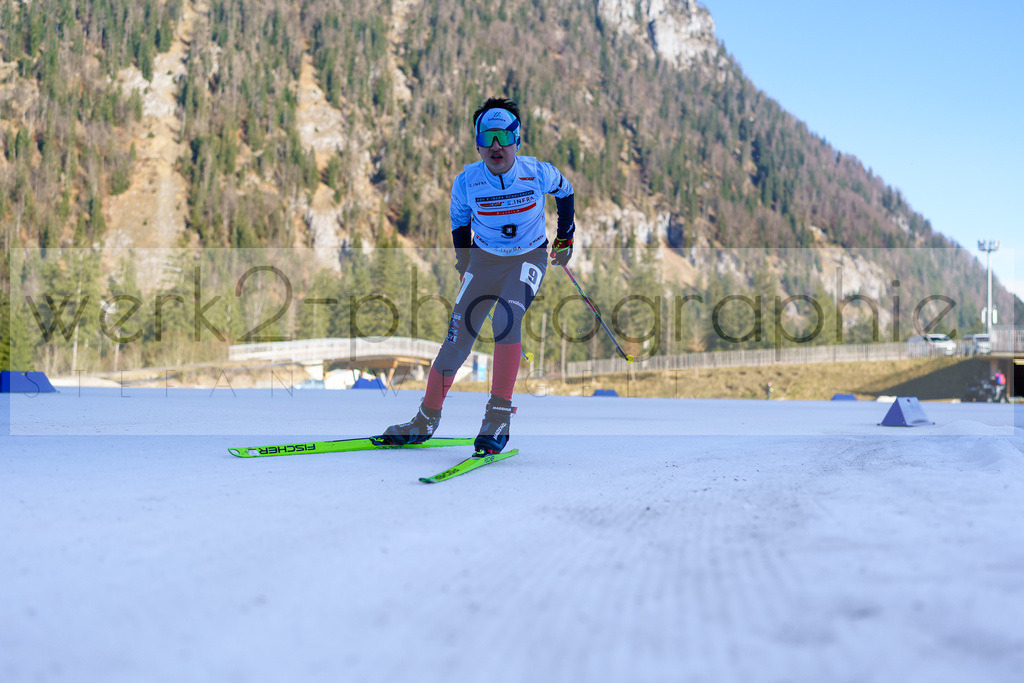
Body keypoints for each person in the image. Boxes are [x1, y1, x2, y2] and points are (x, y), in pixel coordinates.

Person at [379, 97, 576, 454]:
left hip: (528, 257)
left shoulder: (538, 172)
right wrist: (463, 264)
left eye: (504, 136)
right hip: (483, 261)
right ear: (478, 143)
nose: (496, 145)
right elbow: (459, 223)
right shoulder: (467, 181)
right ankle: (425, 419)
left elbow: (566, 192)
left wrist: (565, 236)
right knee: (457, 339)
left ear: (517, 140)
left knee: (506, 318)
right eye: (487, 137)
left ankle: (498, 416)